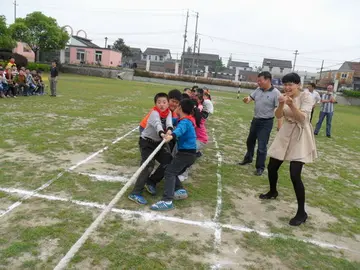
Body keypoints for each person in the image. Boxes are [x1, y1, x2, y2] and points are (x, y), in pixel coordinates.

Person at [259, 72, 317, 226]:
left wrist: (291, 104)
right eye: (285, 84)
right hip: (286, 132)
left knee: (294, 174)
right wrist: (282, 104)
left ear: (298, 84)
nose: (287, 87)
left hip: (300, 134)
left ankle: (301, 212)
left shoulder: (306, 97)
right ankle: (273, 191)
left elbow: (303, 119)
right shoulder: (283, 96)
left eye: (290, 84)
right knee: (272, 167)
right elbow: (278, 115)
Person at [150, 98, 198, 211]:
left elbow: (179, 130)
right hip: (188, 154)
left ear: (180, 107)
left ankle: (167, 201)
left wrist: (171, 136)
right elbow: (172, 121)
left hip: (186, 155)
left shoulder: (186, 122)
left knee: (170, 172)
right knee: (171, 168)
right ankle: (179, 189)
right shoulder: (185, 119)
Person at [128, 92, 173, 205]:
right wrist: (163, 134)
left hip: (158, 143)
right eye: (159, 102)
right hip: (147, 143)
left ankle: (151, 181)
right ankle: (135, 192)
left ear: (168, 103)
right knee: (148, 166)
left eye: (164, 102)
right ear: (155, 104)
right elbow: (158, 125)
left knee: (168, 161)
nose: (161, 105)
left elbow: (169, 123)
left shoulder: (168, 113)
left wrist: (169, 130)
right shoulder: (154, 113)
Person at [238, 71, 281, 176]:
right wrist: (246, 100)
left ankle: (260, 167)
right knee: (250, 141)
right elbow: (249, 99)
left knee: (262, 146)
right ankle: (248, 158)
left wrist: (279, 124)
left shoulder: (276, 93)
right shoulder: (258, 90)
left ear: (268, 80)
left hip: (266, 122)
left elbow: (279, 109)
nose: (258, 82)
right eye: (258, 80)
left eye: (260, 80)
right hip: (256, 120)